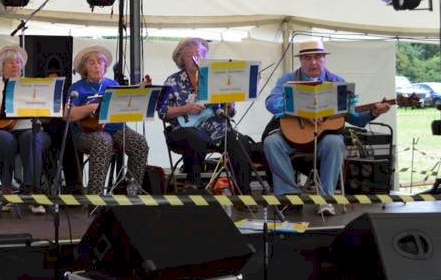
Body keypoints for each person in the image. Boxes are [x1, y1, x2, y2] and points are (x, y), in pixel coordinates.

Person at [264, 40, 390, 216]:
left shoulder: (338, 82)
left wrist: (374, 113)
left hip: (324, 137)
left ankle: (325, 199)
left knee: (334, 142)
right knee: (271, 142)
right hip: (294, 134)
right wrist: (297, 105)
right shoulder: (287, 80)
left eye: (317, 57)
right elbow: (270, 103)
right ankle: (289, 195)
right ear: (301, 60)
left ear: (324, 59)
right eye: (307, 58)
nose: (313, 62)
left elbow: (356, 119)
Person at [157, 37, 255, 195]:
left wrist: (229, 104)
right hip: (183, 129)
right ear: (181, 59)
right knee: (195, 137)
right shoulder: (172, 81)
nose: (196, 59)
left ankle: (243, 191)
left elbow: (230, 114)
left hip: (216, 129)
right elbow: (161, 111)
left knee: (240, 141)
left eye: (200, 55)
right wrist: (185, 109)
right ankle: (193, 185)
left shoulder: (216, 79)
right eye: (191, 55)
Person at [67, 46, 149, 196]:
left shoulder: (113, 85)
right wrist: (91, 107)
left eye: (100, 62)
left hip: (116, 129)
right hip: (87, 133)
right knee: (103, 141)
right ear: (84, 67)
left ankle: (131, 189)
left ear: (105, 65)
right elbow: (67, 115)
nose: (96, 65)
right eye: (91, 63)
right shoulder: (77, 88)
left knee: (140, 143)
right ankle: (95, 198)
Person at [0, 46, 51, 214]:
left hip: (30, 129)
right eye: (10, 62)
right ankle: (6, 191)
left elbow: (46, 112)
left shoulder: (32, 85)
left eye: (19, 62)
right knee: (4, 139)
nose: (15, 65)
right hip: (0, 131)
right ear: (1, 66)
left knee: (32, 137)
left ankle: (32, 192)